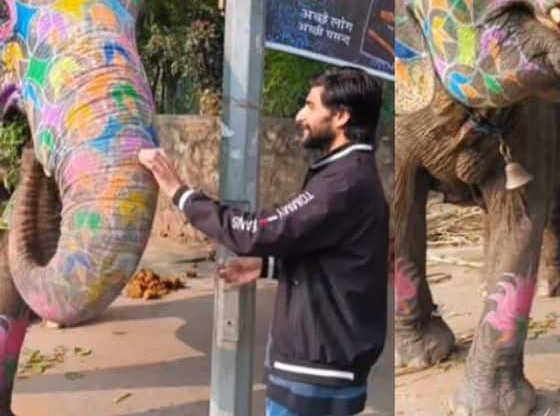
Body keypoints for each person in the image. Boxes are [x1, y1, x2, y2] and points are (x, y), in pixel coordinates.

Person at [138, 67, 389, 416]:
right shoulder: (348, 175)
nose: (300, 115)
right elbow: (332, 256)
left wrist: (178, 192)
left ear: (341, 116)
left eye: (310, 106)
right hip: (328, 367)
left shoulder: (341, 184)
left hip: (315, 371)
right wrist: (267, 265)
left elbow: (253, 231)